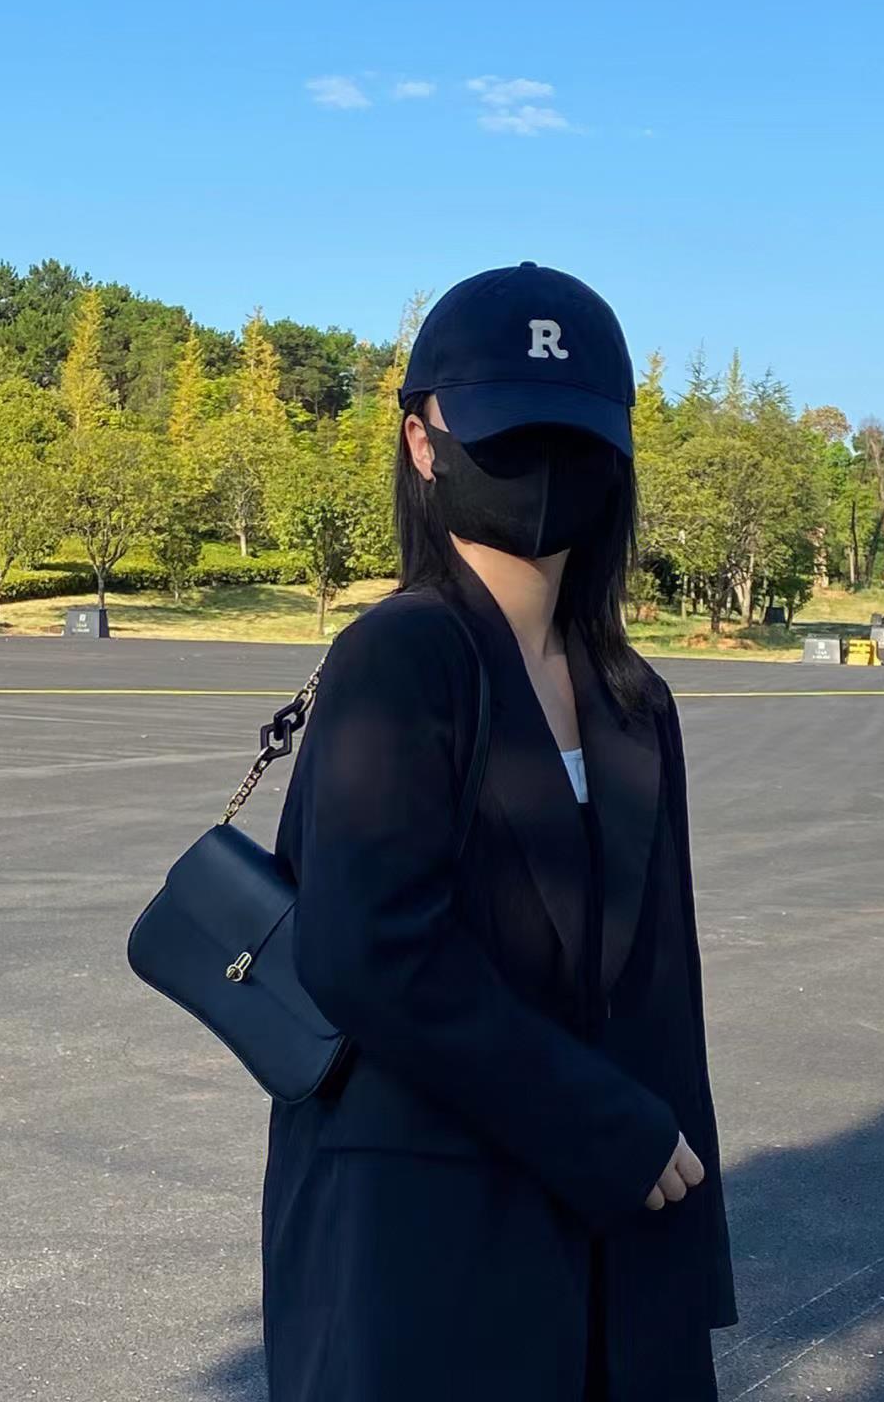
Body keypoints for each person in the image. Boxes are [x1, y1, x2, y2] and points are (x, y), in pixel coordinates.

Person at [263, 261, 738, 1401]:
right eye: (506, 432)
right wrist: (606, 1130)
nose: (541, 465)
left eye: (571, 436)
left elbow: (661, 997)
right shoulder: (401, 655)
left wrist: (684, 1255)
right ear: (422, 442)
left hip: (621, 1250)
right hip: (428, 1250)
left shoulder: (634, 698)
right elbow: (369, 952)